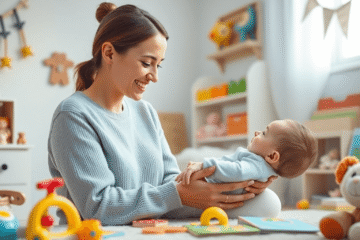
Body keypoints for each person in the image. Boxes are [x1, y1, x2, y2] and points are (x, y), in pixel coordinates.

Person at [47, 2, 280, 226]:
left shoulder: (144, 111)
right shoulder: (73, 115)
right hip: (98, 230)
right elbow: (97, 206)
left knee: (267, 202)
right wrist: (179, 194)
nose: (154, 76)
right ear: (109, 53)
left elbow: (171, 181)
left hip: (152, 221)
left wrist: (241, 182)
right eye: (147, 63)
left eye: (159, 65)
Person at [176, 119, 318, 196]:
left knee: (173, 184)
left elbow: (237, 171)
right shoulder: (260, 165)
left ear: (272, 156)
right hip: (204, 188)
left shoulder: (257, 165)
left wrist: (204, 165)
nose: (257, 132)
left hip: (200, 190)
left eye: (264, 133)